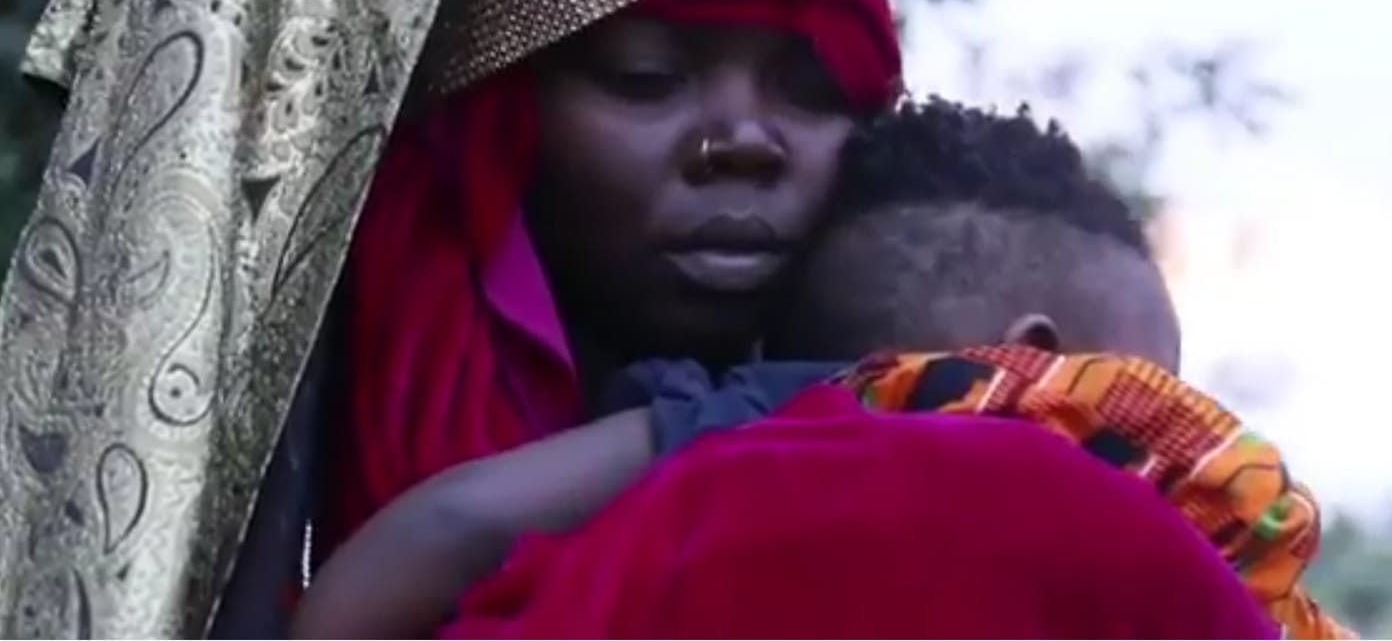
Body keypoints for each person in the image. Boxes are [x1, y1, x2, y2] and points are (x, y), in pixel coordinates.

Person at [295, 99, 1313, 639]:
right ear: (1032, 364)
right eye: (1156, 381)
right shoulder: (1084, 501)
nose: (1175, 423)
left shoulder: (720, 428)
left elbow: (455, 522)